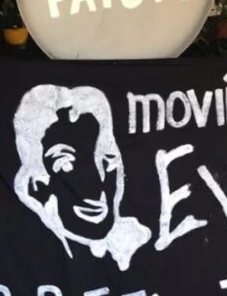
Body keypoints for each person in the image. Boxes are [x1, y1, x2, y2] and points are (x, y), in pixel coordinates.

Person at [13, 84, 150, 272]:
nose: (97, 188)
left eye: (107, 159)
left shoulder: (135, 243)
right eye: (66, 163)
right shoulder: (27, 258)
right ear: (35, 184)